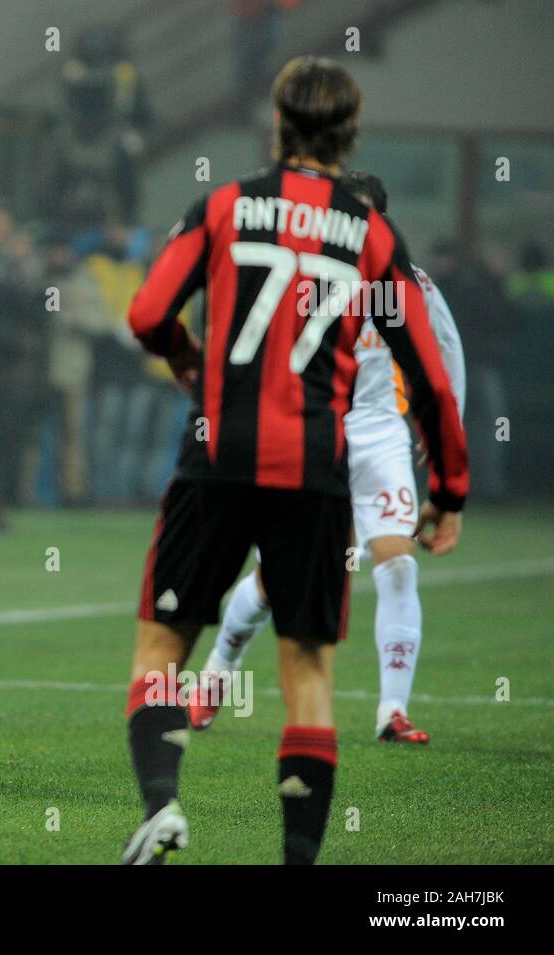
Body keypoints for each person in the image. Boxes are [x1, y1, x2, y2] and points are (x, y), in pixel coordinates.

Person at [118, 56, 468, 865]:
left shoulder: (223, 205)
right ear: (351, 134)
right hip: (316, 462)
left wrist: (184, 355)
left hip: (216, 451)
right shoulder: (374, 235)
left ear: (276, 124)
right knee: (308, 672)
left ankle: (163, 805)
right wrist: (449, 487)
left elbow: (145, 314)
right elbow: (431, 375)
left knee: (162, 646)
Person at [187, 171, 467, 745]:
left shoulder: (412, 284)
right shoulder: (311, 274)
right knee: (276, 581)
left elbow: (445, 354)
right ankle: (216, 673)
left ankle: (393, 711)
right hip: (317, 437)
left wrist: (446, 427)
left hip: (383, 436)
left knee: (397, 561)